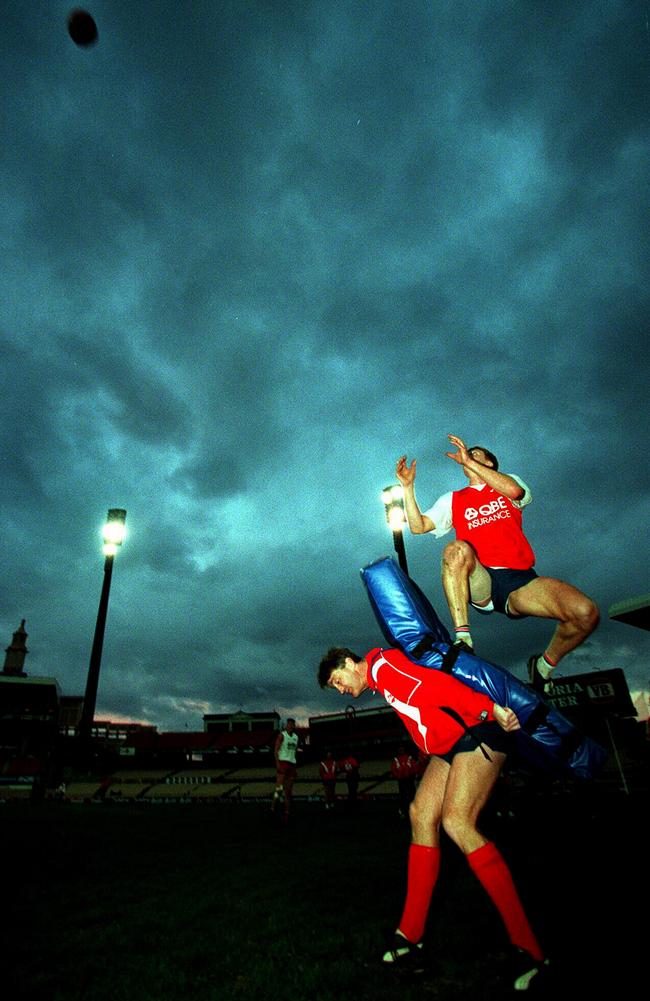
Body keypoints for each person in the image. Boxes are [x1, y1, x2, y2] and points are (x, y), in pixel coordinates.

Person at [318, 645, 549, 991]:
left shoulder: (383, 668)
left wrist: (489, 710)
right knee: (420, 814)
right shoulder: (382, 676)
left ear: (351, 664)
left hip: (476, 731)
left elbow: (437, 686)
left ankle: (531, 951)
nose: (341, 690)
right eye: (335, 688)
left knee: (458, 822)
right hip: (450, 745)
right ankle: (409, 937)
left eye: (338, 681)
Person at [396, 433, 600, 693]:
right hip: (480, 578)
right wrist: (407, 488)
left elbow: (516, 492)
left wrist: (470, 461)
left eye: (477, 454)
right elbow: (417, 526)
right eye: (469, 456)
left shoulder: (509, 483)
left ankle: (543, 667)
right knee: (455, 550)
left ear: (490, 464)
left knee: (584, 613)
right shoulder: (454, 499)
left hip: (519, 581)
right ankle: (463, 638)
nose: (469, 456)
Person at [272, 718, 299, 822]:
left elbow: (295, 752)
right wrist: (277, 763)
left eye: (293, 724)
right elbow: (276, 750)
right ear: (286, 725)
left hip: (291, 764)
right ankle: (273, 807)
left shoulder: (296, 737)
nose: (291, 726)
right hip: (283, 763)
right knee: (279, 789)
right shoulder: (282, 735)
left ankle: (287, 813)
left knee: (288, 792)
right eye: (289, 724)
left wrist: (295, 767)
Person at [391, 745, 417, 818]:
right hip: (402, 780)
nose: (401, 750)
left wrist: (413, 774)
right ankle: (404, 811)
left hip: (410, 779)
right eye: (400, 749)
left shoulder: (409, 757)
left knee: (412, 795)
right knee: (403, 796)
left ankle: (414, 810)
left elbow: (414, 767)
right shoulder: (396, 759)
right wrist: (397, 776)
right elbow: (393, 769)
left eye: (402, 749)